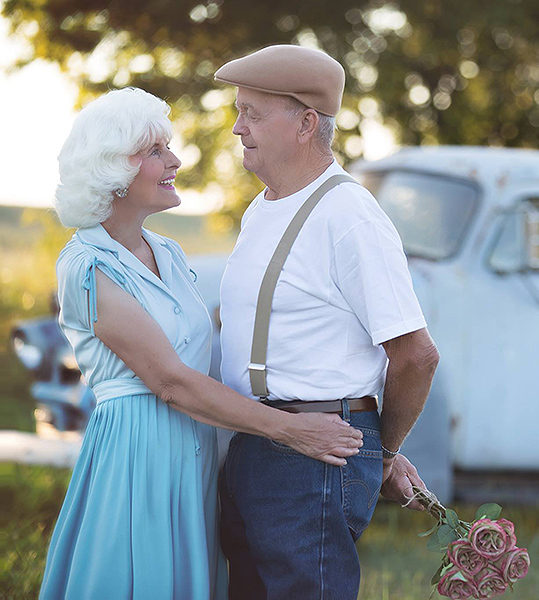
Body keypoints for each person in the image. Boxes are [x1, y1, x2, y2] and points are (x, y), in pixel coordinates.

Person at [39, 87, 364, 599]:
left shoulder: (167, 251)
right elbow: (170, 381)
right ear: (112, 172)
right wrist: (293, 431)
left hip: (195, 448)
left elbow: (219, 345)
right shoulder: (87, 266)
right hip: (139, 453)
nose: (175, 160)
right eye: (155, 152)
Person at [214, 44, 440, 599]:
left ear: (306, 122)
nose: (238, 128)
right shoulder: (263, 207)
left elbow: (416, 355)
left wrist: (378, 451)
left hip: (311, 459)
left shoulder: (349, 215)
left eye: (253, 114)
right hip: (256, 442)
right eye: (238, 111)